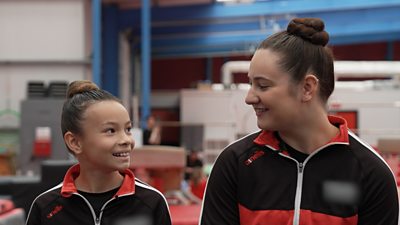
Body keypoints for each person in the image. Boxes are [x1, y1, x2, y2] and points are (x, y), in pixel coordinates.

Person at [200, 18, 399, 225]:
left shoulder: (371, 173)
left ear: (307, 88)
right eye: (250, 84)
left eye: (263, 85)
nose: (249, 97)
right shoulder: (235, 164)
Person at [26, 80, 172, 225]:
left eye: (128, 129)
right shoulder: (46, 207)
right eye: (111, 131)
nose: (126, 140)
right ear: (75, 142)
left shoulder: (151, 203)